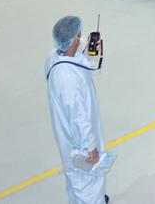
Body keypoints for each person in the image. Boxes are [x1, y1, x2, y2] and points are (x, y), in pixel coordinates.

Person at [46, 15, 108, 204]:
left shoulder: (54, 57)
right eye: (79, 35)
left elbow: (77, 64)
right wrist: (90, 147)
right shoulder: (68, 80)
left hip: (68, 136)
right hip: (79, 141)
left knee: (75, 180)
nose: (82, 38)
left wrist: (90, 54)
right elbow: (78, 117)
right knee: (88, 183)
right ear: (73, 40)